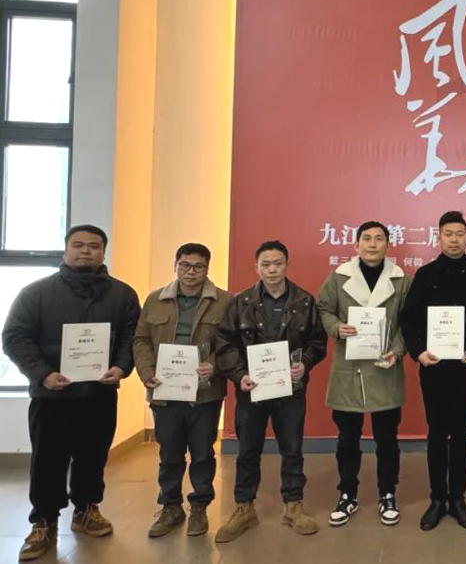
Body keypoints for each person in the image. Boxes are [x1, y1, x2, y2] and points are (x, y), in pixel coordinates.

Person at [2, 225, 141, 561]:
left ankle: (87, 510)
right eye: (78, 245)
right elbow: (15, 337)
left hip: (99, 394)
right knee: (47, 460)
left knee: (94, 456)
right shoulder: (36, 292)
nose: (86, 251)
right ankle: (44, 522)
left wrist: (121, 367)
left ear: (103, 252)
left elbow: (132, 337)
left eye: (94, 246)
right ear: (65, 250)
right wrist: (43, 374)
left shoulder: (122, 295)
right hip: (51, 396)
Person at [213, 240, 327, 542]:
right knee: (247, 450)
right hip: (251, 391)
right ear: (257, 267)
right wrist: (239, 375)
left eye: (278, 263)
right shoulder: (240, 302)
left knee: (292, 449)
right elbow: (224, 343)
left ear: (287, 265)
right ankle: (244, 508)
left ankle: (293, 505)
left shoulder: (304, 301)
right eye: (266, 264)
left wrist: (305, 363)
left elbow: (317, 342)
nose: (273, 270)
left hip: (290, 391)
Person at [400, 211, 466, 531]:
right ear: (438, 237)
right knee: (437, 433)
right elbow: (409, 320)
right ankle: (437, 499)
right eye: (448, 234)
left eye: (460, 234)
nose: (454, 239)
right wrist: (418, 353)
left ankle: (458, 498)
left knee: (462, 433)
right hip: (434, 368)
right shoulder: (425, 275)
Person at [133, 243, 232, 538]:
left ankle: (199, 507)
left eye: (198, 267)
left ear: (207, 269)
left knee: (202, 453)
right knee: (170, 453)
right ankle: (170, 507)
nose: (191, 272)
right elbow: (141, 340)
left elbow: (232, 343)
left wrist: (215, 365)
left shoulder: (225, 301)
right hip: (165, 390)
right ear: (175, 265)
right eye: (185, 265)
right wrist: (147, 373)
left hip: (205, 392)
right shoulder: (155, 300)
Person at [316, 222, 410, 527]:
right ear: (356, 245)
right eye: (366, 239)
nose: (372, 244)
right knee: (347, 439)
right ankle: (348, 494)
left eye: (379, 239)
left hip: (385, 367)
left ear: (388, 245)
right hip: (349, 368)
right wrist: (335, 328)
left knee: (387, 439)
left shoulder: (401, 280)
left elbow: (409, 322)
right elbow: (323, 308)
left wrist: (397, 350)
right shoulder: (339, 277)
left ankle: (388, 494)